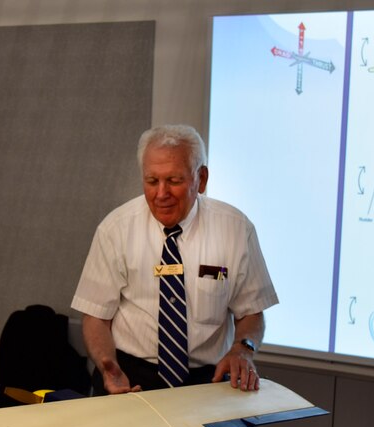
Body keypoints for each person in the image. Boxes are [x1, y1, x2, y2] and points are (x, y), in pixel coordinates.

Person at [71, 124, 278, 395]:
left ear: (201, 179)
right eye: (152, 181)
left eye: (174, 181)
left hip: (208, 380)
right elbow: (96, 316)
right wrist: (107, 365)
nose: (161, 194)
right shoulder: (116, 229)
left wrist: (243, 349)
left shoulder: (236, 230)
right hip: (129, 378)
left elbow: (251, 311)